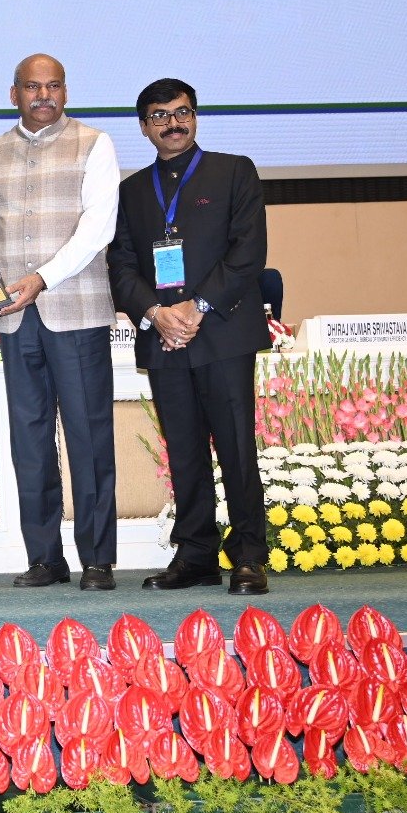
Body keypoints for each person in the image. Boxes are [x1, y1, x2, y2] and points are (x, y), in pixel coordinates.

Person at [108, 78, 270, 595]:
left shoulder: (234, 170)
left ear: (194, 117)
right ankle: (196, 554)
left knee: (237, 448)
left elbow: (248, 252)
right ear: (144, 127)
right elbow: (121, 266)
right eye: (159, 116)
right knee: (183, 451)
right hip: (164, 337)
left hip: (221, 331)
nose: (173, 123)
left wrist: (195, 307)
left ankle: (249, 556)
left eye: (182, 112)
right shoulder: (131, 191)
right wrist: (157, 313)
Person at [0, 53, 120, 591]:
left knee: (88, 437)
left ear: (66, 91)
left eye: (53, 86)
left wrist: (43, 277)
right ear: (14, 94)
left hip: (75, 309)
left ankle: (98, 559)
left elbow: (99, 227)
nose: (43, 96)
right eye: (33, 87)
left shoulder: (94, 143)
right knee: (29, 442)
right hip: (14, 317)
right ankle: (45, 558)